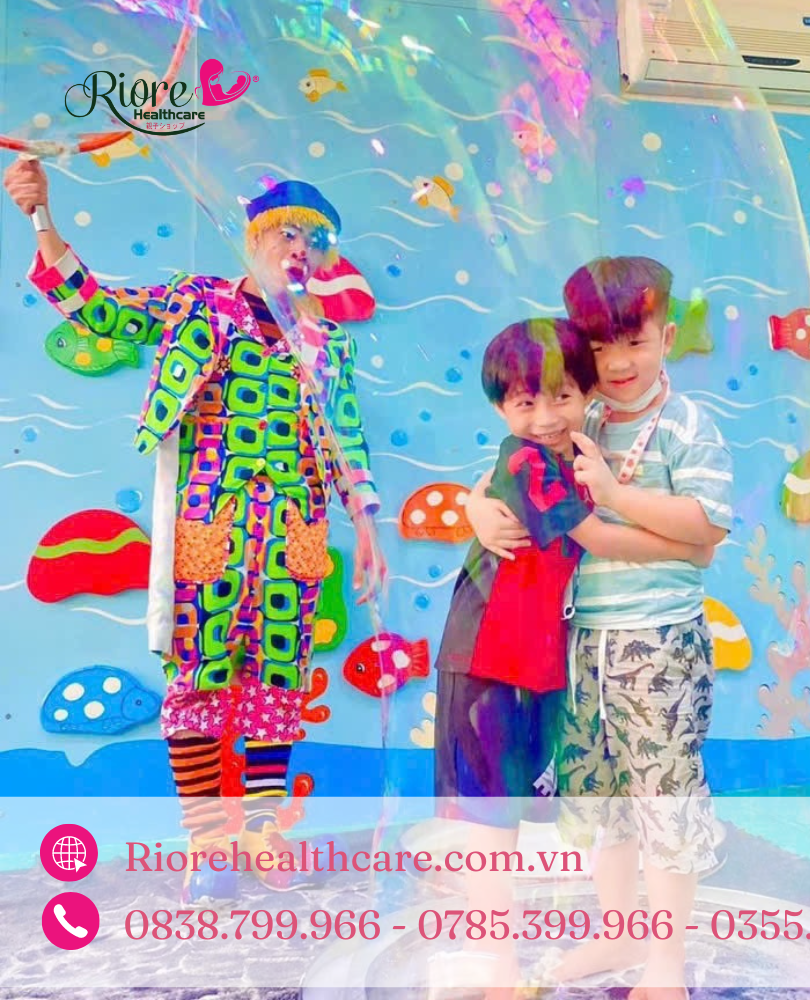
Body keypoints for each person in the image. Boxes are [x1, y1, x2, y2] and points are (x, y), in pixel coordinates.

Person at [4, 159, 387, 904]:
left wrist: (367, 523)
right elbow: (100, 311)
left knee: (279, 683)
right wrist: (42, 218)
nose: (298, 248)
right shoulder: (198, 303)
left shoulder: (326, 339)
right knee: (199, 681)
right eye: (284, 233)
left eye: (312, 239)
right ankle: (207, 839)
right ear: (252, 238)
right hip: (210, 528)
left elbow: (346, 436)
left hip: (296, 534)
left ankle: (263, 832)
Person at [466, 258, 733, 1000]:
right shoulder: (576, 416)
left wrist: (615, 492)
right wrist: (474, 508)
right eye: (599, 346)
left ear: (666, 337)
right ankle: (619, 931)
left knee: (663, 796)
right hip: (579, 637)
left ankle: (665, 965)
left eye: (635, 343)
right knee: (599, 791)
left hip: (658, 638)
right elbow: (501, 473)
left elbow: (707, 524)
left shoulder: (685, 424)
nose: (617, 363)